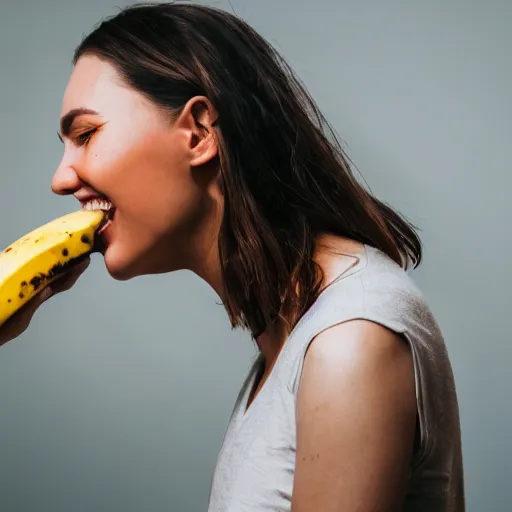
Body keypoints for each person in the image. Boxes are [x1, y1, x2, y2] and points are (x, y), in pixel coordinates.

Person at [0, 2, 465, 511]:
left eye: (86, 135)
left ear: (199, 131)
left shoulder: (350, 341)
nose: (60, 178)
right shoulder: (291, 340)